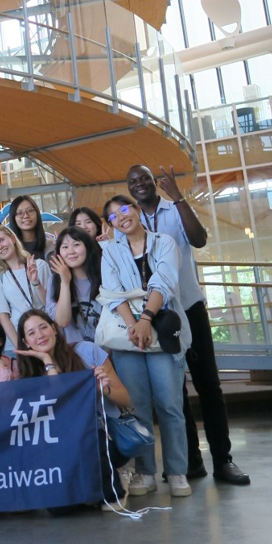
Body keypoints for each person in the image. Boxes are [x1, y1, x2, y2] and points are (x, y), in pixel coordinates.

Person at [125, 163, 249, 486]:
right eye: (133, 181)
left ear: (154, 182)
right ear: (129, 189)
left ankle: (223, 460)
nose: (140, 184)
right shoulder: (130, 220)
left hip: (189, 308)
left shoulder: (174, 209)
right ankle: (191, 462)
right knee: (173, 391)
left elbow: (199, 239)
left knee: (208, 385)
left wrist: (179, 198)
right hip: (157, 314)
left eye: (145, 178)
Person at [101, 195, 192, 498]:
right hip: (129, 338)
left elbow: (164, 282)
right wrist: (133, 327)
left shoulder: (164, 242)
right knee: (137, 406)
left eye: (124, 209)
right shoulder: (110, 251)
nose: (121, 217)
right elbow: (113, 293)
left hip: (162, 332)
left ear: (137, 210)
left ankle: (177, 471)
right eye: (113, 216)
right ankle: (145, 472)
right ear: (111, 224)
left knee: (170, 405)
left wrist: (146, 320)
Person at [14, 308, 132, 505]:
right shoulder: (28, 376)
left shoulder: (87, 351)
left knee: (108, 500)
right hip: (57, 445)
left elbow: (126, 400)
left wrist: (103, 388)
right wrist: (47, 361)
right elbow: (60, 404)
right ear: (26, 342)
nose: (40, 335)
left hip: (96, 437)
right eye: (32, 333)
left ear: (54, 329)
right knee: (60, 509)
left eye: (43, 327)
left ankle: (115, 477)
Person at [0, 224, 50, 350]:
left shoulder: (39, 265)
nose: (0, 246)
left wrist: (35, 282)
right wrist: (20, 348)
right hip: (18, 338)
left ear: (12, 238)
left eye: (1, 240)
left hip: (44, 335)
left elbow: (50, 305)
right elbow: (3, 317)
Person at [46, 227, 103, 345]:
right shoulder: (54, 281)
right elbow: (62, 321)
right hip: (74, 351)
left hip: (106, 348)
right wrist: (65, 282)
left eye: (76, 245)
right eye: (65, 247)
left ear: (87, 247)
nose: (71, 251)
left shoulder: (103, 276)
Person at [7, 195, 56, 260]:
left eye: (30, 210)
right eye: (19, 213)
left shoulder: (51, 246)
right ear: (13, 218)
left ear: (37, 213)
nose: (26, 216)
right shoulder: (10, 249)